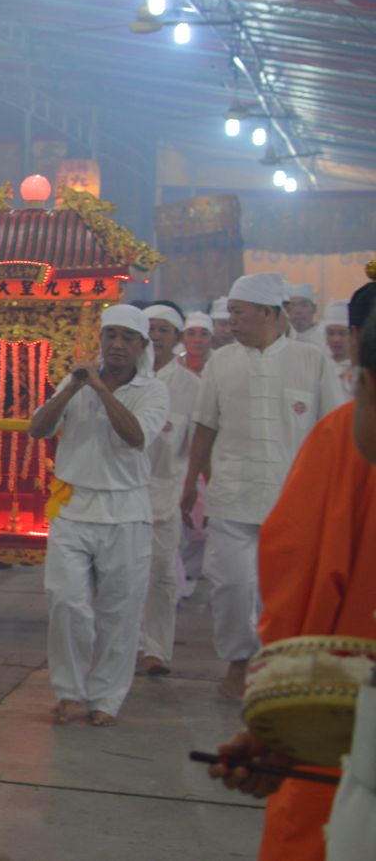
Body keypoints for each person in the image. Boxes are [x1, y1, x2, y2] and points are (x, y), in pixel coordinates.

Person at [206, 291, 376, 861]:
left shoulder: (341, 441)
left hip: (353, 734)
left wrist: (282, 727)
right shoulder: (222, 363)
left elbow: (303, 595)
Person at [181, 272, 345, 699]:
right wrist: (189, 484)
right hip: (232, 496)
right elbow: (204, 429)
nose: (231, 321)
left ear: (269, 314)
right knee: (232, 586)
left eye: (239, 312)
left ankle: (278, 670)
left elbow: (333, 430)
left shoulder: (312, 360)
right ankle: (238, 663)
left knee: (287, 593)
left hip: (295, 502)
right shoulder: (222, 363)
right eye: (230, 312)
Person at [29, 304, 170, 726]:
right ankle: (70, 693)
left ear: (143, 346)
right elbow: (38, 429)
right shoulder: (76, 382)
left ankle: (107, 699)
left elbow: (135, 437)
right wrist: (72, 389)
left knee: (120, 611)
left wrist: (102, 391)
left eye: (128, 338)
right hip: (73, 508)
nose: (117, 345)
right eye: (111, 335)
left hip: (126, 511)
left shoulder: (154, 390)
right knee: (66, 602)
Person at [138, 304, 201, 676]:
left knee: (161, 572)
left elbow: (197, 443)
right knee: (122, 573)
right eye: (150, 329)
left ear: (178, 337)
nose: (156, 336)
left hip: (166, 491)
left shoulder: (192, 387)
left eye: (164, 329)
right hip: (122, 490)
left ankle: (156, 649)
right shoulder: (127, 379)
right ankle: (126, 642)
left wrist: (192, 488)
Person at [325, 299, 354, 395]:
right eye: (331, 333)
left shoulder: (361, 370)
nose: (336, 339)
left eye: (342, 333)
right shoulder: (320, 364)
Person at [285, 281, 325, 347]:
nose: (297, 311)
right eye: (293, 305)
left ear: (314, 308)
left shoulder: (325, 338)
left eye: (304, 305)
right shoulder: (283, 337)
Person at [179, 311, 213, 375]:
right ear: (182, 339)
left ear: (212, 339)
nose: (197, 340)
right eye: (191, 334)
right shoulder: (174, 363)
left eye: (204, 334)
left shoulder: (221, 363)